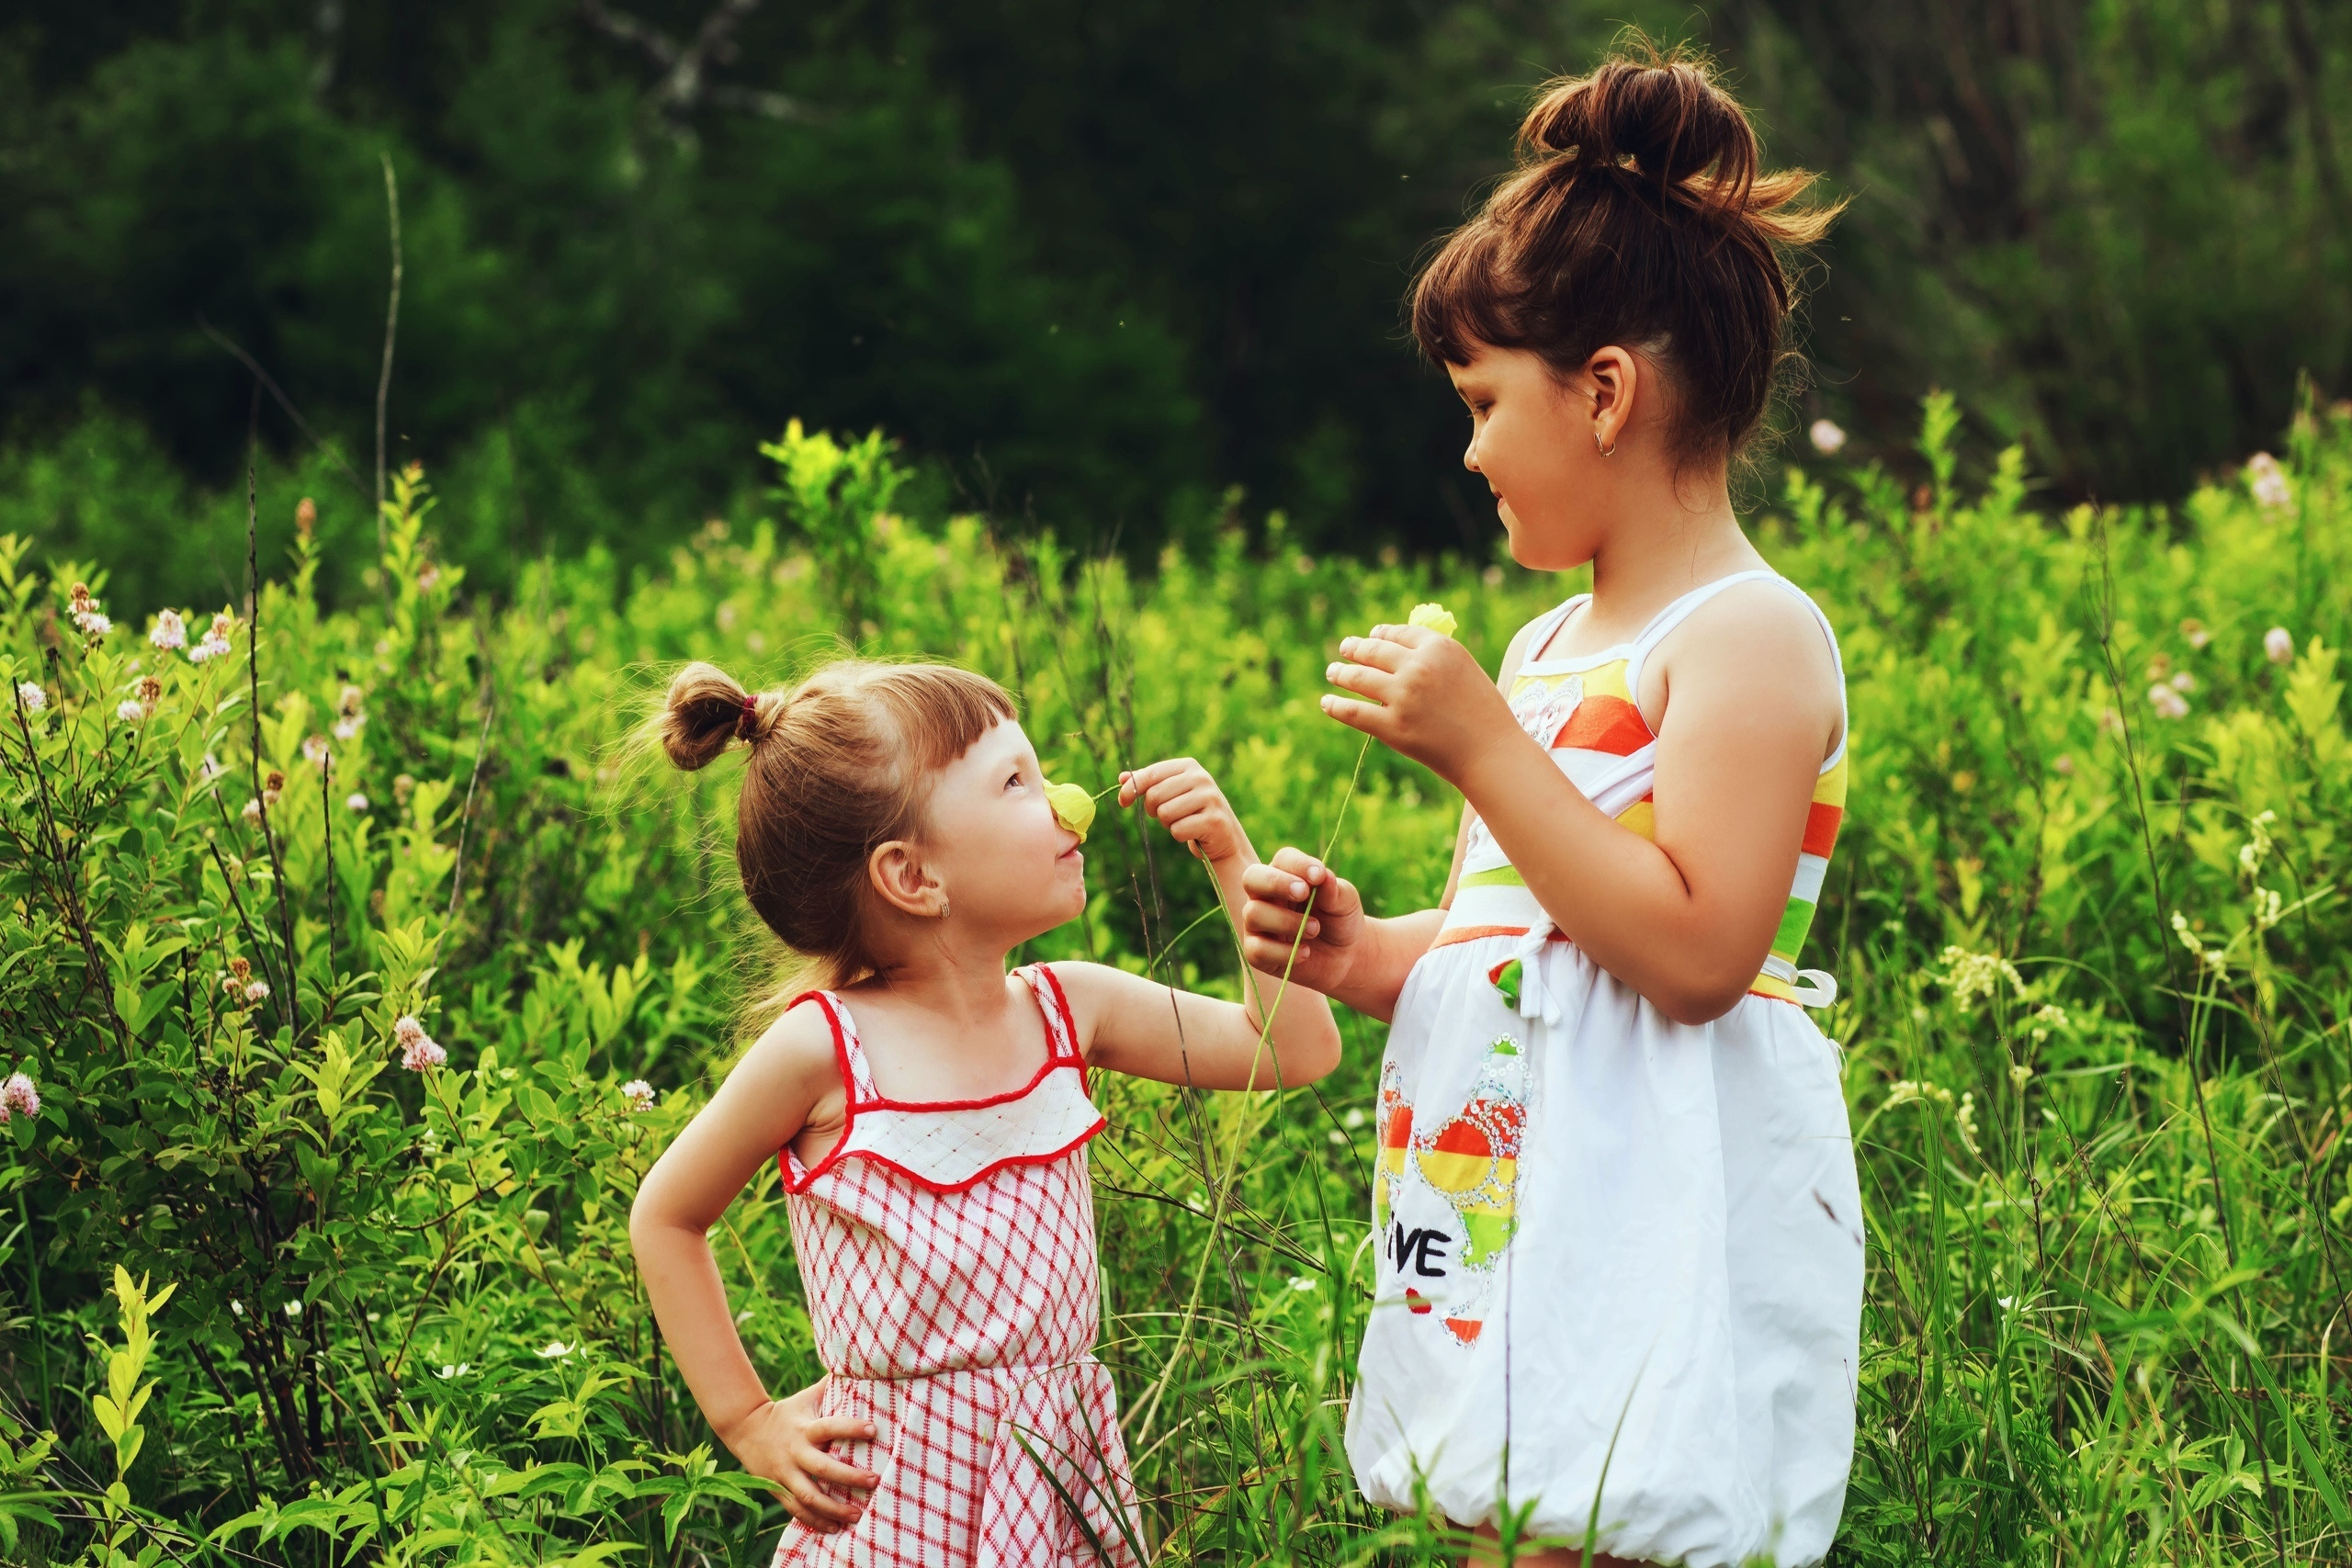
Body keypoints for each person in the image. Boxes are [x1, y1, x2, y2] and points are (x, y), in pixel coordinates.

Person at [1237, 43, 1863, 1568]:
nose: (1468, 450)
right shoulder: (1537, 647)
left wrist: (1481, 753)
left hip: (1656, 1200)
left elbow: (1702, 955)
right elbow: (1504, 937)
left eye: (1479, 401)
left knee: (1620, 1525)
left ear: (1603, 392)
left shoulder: (1747, 635)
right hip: (1515, 1182)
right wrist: (1361, 950)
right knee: (1502, 1518)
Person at [628, 659, 1340, 1565]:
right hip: (893, 1497)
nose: (1067, 803)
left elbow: (1290, 1048)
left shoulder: (1067, 1009)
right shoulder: (823, 1048)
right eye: (1016, 783)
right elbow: (666, 1215)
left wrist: (1229, 860)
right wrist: (747, 1419)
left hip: (1060, 1482)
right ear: (912, 876)